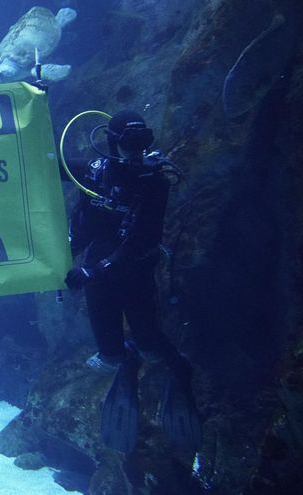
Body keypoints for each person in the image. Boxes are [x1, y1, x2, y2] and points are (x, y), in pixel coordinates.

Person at [62, 110, 200, 454]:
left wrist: (95, 271)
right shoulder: (95, 172)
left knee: (150, 340)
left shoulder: (154, 180)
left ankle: (179, 369)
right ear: (112, 141)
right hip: (99, 268)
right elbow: (48, 165)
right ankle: (126, 362)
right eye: (130, 141)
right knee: (108, 352)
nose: (137, 150)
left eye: (143, 141)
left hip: (133, 269)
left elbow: (141, 238)